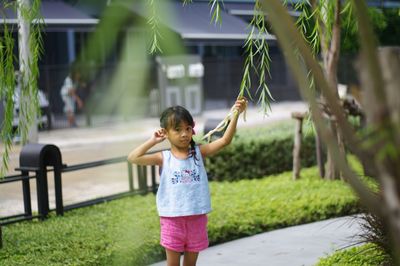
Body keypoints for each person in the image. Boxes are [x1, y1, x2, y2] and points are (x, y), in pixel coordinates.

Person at [127, 99, 247, 266]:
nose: (184, 134)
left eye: (187, 128)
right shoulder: (164, 158)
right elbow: (133, 158)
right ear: (166, 132)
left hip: (196, 219)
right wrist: (152, 141)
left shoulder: (198, 153)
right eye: (177, 130)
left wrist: (236, 114)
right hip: (172, 220)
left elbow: (224, 141)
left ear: (192, 129)